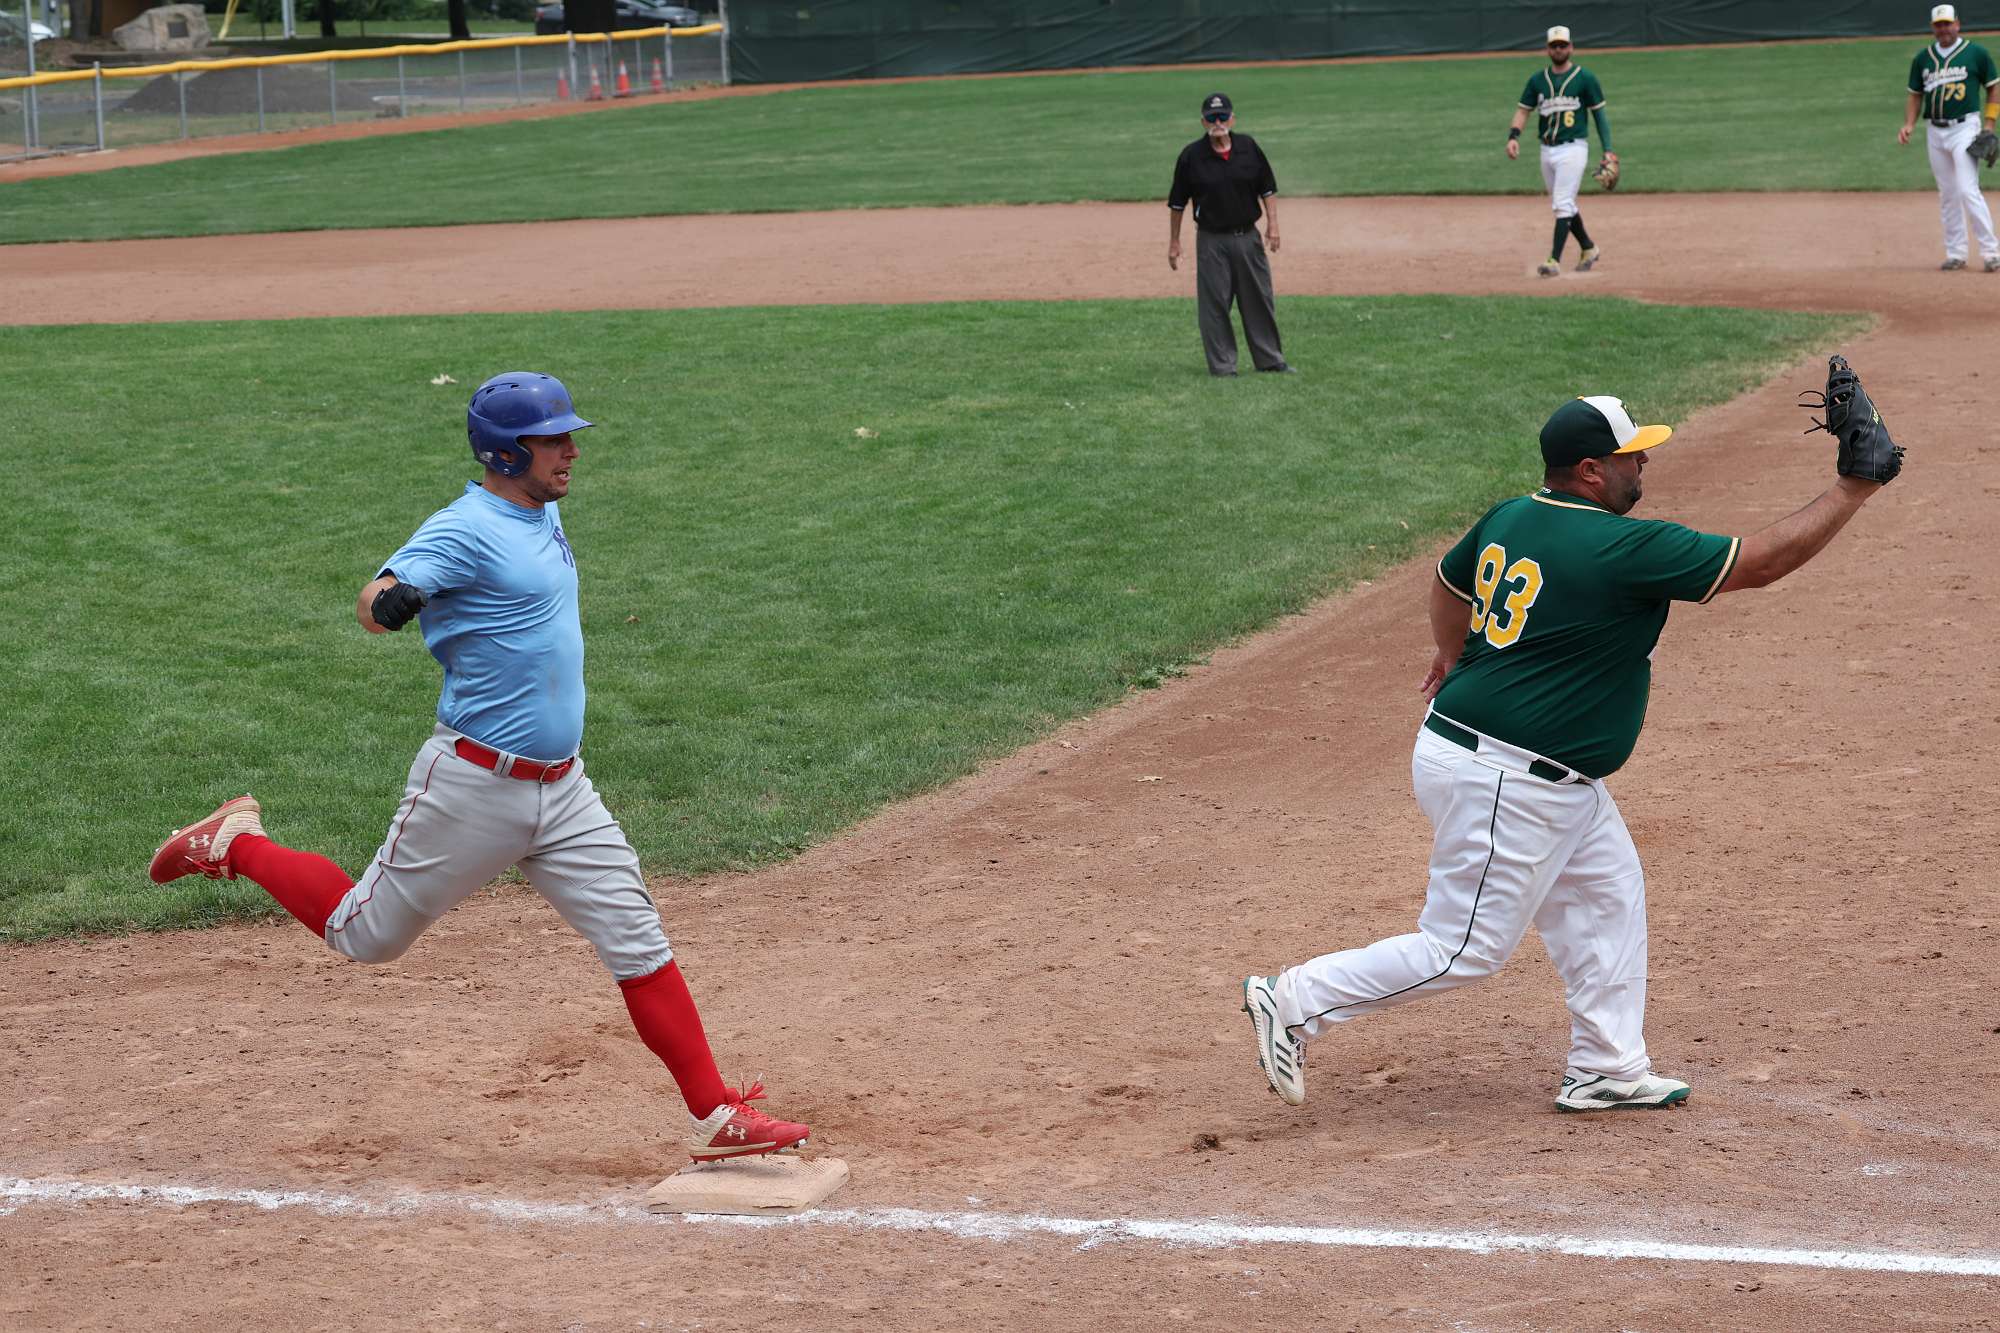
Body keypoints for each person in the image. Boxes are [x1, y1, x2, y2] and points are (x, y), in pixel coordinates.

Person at [147, 371, 811, 1163]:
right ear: (505, 452)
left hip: (564, 788)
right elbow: (374, 596)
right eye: (553, 440)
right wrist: (387, 603)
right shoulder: (464, 529)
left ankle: (715, 1114)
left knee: (638, 939)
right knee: (365, 936)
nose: (570, 451)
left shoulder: (542, 506)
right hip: (472, 786)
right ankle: (237, 842)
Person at [1240, 364, 1900, 1113]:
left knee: (1608, 895)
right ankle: (1293, 999)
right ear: (1590, 470)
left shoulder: (1510, 516)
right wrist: (1853, 487)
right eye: (1631, 455)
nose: (1643, 464)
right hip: (1507, 776)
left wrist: (1453, 655)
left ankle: (1606, 1066)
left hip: (1511, 762)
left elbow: (1449, 584)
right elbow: (1763, 561)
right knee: (1462, 950)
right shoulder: (1623, 547)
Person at [1167, 91, 1296, 377]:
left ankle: (1270, 360)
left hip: (1248, 237)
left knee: (1259, 299)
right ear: (1203, 122)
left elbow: (1268, 189)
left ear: (1232, 119)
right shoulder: (1191, 156)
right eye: (1212, 118)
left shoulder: (1248, 147)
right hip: (1211, 240)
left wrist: (1273, 225)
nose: (1218, 122)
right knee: (1214, 304)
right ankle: (1223, 366)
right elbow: (1177, 203)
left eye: (1222, 116)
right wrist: (1174, 242)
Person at [1897, 3, 2000, 271]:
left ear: (1957, 24)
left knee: (1967, 189)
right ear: (1933, 28)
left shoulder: (1976, 53)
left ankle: (1991, 253)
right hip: (1935, 131)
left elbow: (1993, 88)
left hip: (1965, 128)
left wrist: (1989, 125)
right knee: (1948, 193)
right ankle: (1956, 253)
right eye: (1939, 25)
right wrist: (1909, 124)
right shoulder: (1923, 58)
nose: (1943, 29)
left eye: (1947, 23)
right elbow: (1915, 95)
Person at [1506, 25, 1615, 277]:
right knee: (1564, 204)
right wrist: (1513, 136)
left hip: (1573, 149)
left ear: (1571, 47)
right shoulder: (1537, 81)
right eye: (1554, 46)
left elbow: (1600, 116)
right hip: (1547, 150)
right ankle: (1588, 248)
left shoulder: (1585, 78)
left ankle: (1554, 260)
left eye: (1563, 45)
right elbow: (1523, 110)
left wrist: (1608, 150)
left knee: (1562, 203)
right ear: (1548, 49)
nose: (1559, 49)